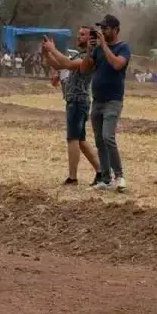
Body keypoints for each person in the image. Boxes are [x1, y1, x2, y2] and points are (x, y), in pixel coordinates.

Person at [43, 15, 131, 191]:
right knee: (98, 140)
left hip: (110, 100)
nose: (102, 32)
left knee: (107, 137)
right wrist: (91, 51)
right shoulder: (94, 51)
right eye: (101, 28)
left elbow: (117, 65)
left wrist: (103, 46)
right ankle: (104, 178)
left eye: (106, 29)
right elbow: (83, 67)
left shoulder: (123, 48)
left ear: (116, 30)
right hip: (97, 100)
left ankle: (119, 176)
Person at [42, 25, 101, 185]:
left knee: (73, 139)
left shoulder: (89, 57)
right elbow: (57, 65)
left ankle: (73, 177)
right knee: (80, 140)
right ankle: (100, 171)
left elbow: (67, 64)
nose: (78, 37)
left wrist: (53, 49)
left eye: (83, 34)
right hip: (76, 100)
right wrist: (46, 52)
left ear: (91, 39)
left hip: (78, 100)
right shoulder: (81, 55)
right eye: (78, 34)